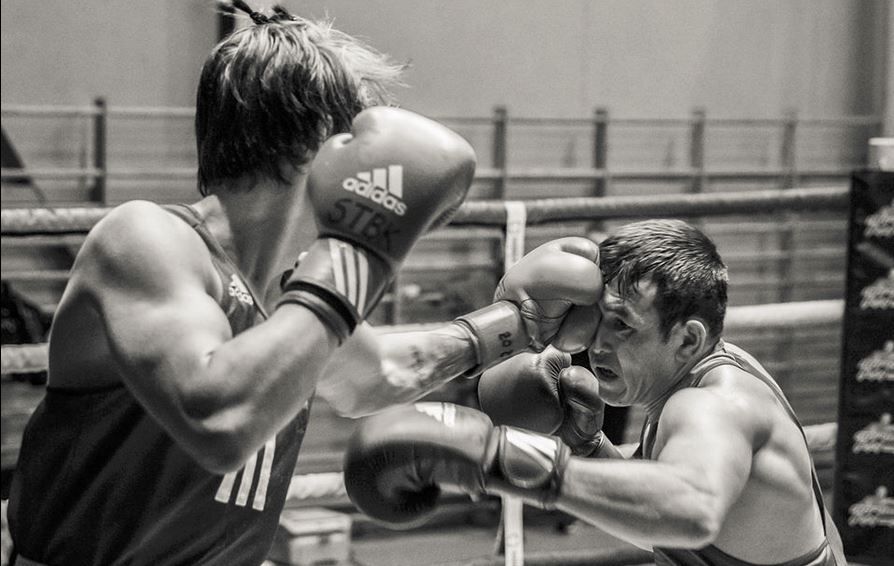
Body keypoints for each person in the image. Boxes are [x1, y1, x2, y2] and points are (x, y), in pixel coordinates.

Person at [5, 3, 606, 565]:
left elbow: (376, 375)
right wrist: (359, 249)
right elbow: (219, 420)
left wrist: (516, 324)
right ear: (319, 140)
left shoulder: (291, 290)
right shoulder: (148, 240)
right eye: (361, 138)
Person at [344, 219, 847, 565]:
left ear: (687, 339)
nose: (598, 345)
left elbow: (692, 509)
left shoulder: (713, 406)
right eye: (596, 320)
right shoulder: (707, 373)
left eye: (623, 325)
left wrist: (500, 460)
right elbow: (658, 521)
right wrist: (587, 447)